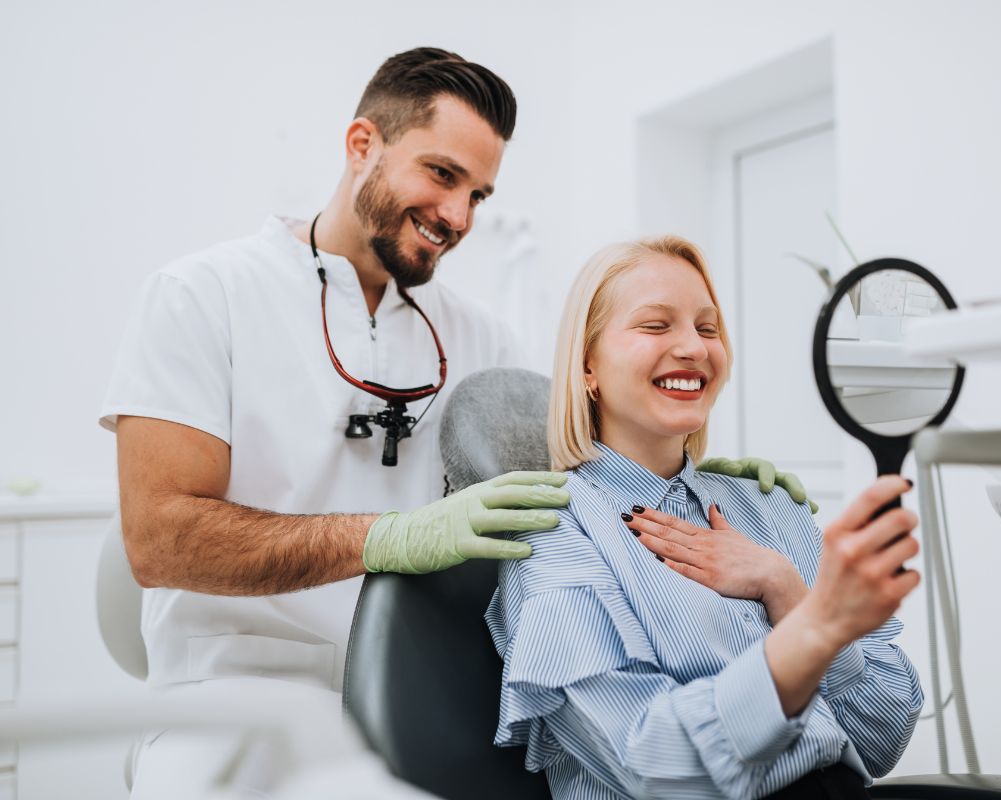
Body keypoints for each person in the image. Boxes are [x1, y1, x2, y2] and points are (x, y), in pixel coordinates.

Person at [101, 49, 802, 795]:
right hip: (235, 699)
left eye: (480, 194)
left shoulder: (481, 340)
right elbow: (160, 539)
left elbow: (583, 474)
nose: (459, 217)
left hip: (433, 691)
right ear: (362, 144)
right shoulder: (202, 296)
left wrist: (685, 470)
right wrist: (386, 539)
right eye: (442, 175)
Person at [487, 236, 924, 799]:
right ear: (588, 364)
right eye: (655, 325)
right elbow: (651, 762)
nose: (694, 347)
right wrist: (814, 632)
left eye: (708, 328)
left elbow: (883, 738)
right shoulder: (555, 530)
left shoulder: (771, 506)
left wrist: (787, 591)